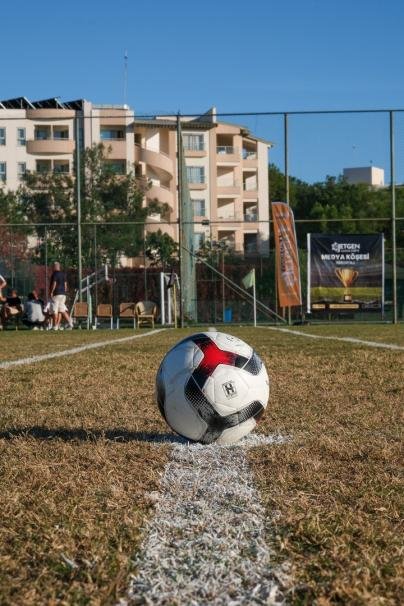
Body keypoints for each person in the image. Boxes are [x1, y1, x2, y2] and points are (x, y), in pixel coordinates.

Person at [49, 262, 73, 330]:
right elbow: (65, 285)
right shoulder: (63, 274)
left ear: (55, 267)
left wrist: (51, 292)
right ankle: (69, 323)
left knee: (55, 310)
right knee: (61, 310)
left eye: (53, 266)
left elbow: (54, 283)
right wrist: (64, 292)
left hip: (56, 294)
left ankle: (55, 326)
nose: (52, 268)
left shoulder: (54, 274)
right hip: (63, 295)